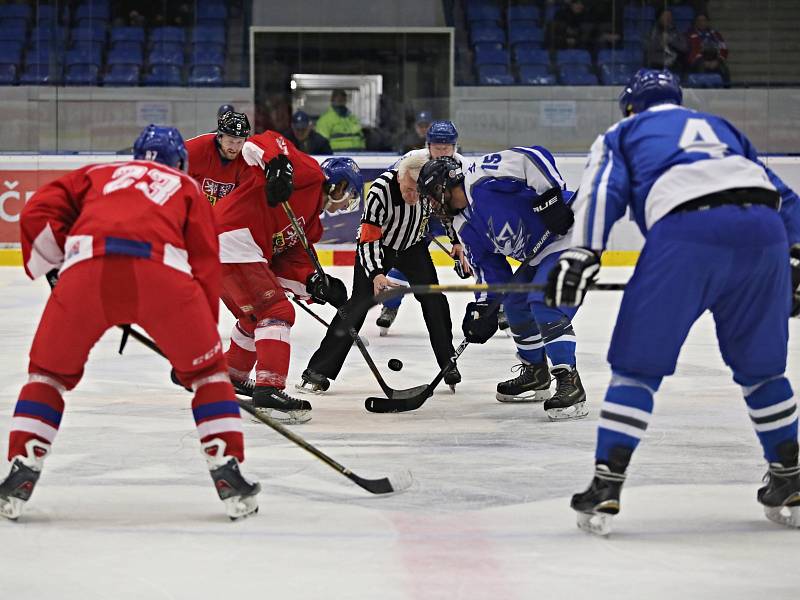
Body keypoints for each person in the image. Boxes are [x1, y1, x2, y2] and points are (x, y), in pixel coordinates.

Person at [545, 69, 800, 535]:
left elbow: (603, 190)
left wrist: (584, 252)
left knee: (637, 366)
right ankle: (788, 473)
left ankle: (607, 483)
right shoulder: (723, 129)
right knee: (763, 369)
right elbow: (782, 195)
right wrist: (796, 250)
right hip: (764, 235)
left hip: (686, 235)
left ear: (629, 106)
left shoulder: (624, 132)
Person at [0, 125, 260, 521]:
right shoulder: (187, 188)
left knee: (46, 377)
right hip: (162, 278)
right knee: (210, 377)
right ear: (181, 163)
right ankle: (228, 474)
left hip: (87, 272)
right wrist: (194, 351)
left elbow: (36, 210)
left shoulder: (98, 173)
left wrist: (55, 269)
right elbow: (206, 267)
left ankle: (21, 469)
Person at [416, 147, 587, 421]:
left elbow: (531, 156)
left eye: (432, 198)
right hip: (538, 253)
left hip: (571, 234)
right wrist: (484, 307)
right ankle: (536, 373)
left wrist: (551, 197)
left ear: (442, 187)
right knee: (515, 303)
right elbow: (492, 272)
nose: (433, 207)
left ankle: (570, 381)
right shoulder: (462, 226)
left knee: (545, 302)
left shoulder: (481, 177)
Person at [214, 130, 362, 423]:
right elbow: (265, 140)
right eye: (349, 195)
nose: (345, 205)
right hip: (231, 236)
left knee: (255, 315)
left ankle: (232, 376)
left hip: (231, 250)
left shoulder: (311, 227)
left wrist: (315, 284)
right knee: (277, 310)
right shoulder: (309, 175)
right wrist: (276, 165)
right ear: (340, 185)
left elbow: (285, 264)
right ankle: (269, 392)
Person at [297, 153, 460, 395]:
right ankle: (317, 371)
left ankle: (448, 363)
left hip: (413, 247)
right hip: (379, 247)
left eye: (419, 191)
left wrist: (455, 240)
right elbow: (369, 237)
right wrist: (375, 273)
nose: (413, 196)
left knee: (434, 299)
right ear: (401, 175)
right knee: (358, 305)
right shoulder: (380, 191)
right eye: (409, 189)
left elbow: (445, 210)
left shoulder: (428, 182)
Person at [376, 120, 472, 335]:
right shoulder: (412, 160)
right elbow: (393, 185)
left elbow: (463, 206)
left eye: (446, 147)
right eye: (437, 147)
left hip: (447, 213)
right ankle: (390, 307)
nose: (442, 152)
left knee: (473, 254)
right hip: (418, 212)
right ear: (428, 146)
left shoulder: (464, 167)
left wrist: (458, 241)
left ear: (454, 146)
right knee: (404, 258)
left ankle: (495, 303)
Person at [185, 110, 254, 206]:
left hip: (224, 214)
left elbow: (246, 200)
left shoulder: (248, 157)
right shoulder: (194, 150)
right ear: (219, 137)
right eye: (230, 141)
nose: (234, 148)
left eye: (239, 142)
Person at [645, 9, 688, 73]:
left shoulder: (676, 32)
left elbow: (684, 48)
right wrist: (661, 44)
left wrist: (671, 41)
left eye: (670, 16)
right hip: (657, 62)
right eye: (665, 16)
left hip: (674, 63)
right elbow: (648, 48)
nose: (668, 18)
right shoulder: (652, 33)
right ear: (659, 18)